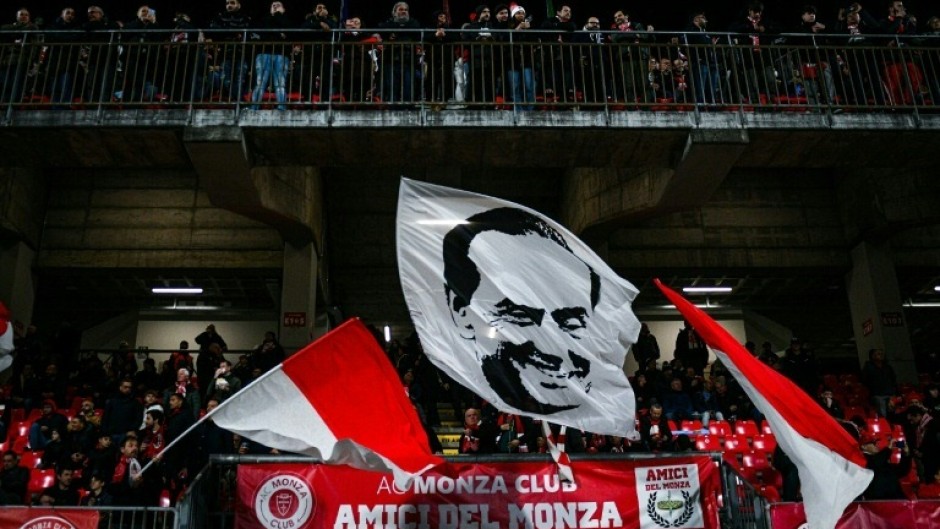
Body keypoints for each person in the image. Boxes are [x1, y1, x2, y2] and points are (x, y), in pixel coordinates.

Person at [442, 207, 635, 417]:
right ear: (461, 313)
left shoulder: (600, 421)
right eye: (521, 317)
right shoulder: (485, 419)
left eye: (571, 322)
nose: (552, 349)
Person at [377, 2, 422, 104]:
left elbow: (416, 31)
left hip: (408, 61)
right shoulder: (388, 23)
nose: (404, 12)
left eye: (406, 10)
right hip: (391, 61)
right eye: (401, 9)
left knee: (408, 87)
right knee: (392, 87)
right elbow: (382, 29)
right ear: (394, 12)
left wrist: (396, 32)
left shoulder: (413, 22)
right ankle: (392, 108)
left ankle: (408, 108)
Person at [209, 0, 253, 101]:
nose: (229, 5)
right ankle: (235, 100)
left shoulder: (245, 18)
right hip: (225, 53)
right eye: (227, 3)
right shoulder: (220, 17)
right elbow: (215, 32)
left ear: (239, 5)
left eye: (232, 3)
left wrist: (228, 32)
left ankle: (237, 101)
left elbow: (248, 33)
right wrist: (235, 33)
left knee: (240, 79)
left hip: (241, 53)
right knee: (225, 79)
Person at [251, 1, 291, 110]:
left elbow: (289, 30)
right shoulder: (265, 18)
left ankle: (281, 107)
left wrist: (279, 16)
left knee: (280, 83)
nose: (275, 7)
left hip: (281, 53)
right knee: (260, 82)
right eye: (273, 5)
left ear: (283, 9)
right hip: (264, 52)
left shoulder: (286, 19)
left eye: (278, 5)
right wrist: (279, 33)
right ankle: (254, 107)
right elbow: (263, 30)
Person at [862, 348, 897, 418]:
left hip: (890, 393)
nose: (881, 355)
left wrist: (893, 393)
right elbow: (865, 380)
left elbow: (893, 379)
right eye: (878, 354)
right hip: (878, 394)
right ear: (872, 356)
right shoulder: (868, 367)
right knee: (882, 414)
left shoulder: (888, 367)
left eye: (881, 354)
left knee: (893, 414)